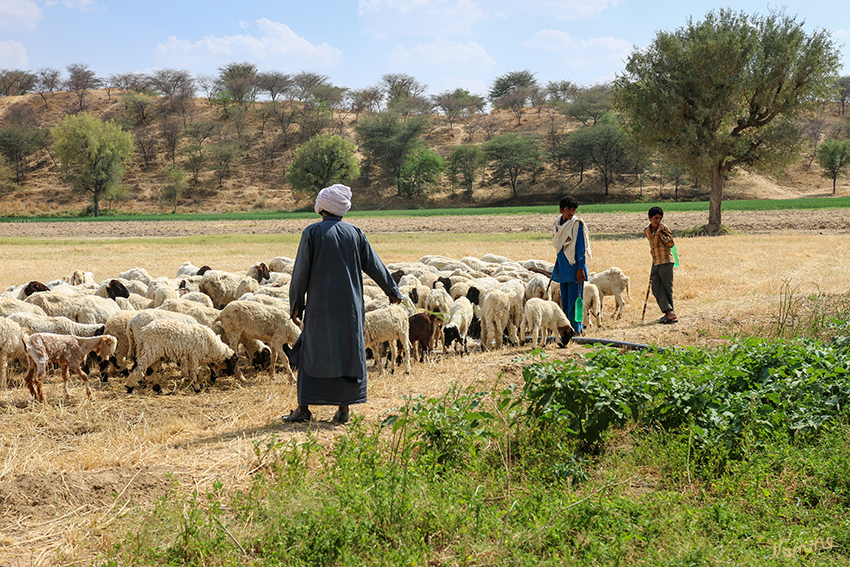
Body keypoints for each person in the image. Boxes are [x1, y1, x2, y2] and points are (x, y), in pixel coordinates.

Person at [282, 184, 403, 424]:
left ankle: (303, 408)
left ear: (321, 208)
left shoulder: (312, 233)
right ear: (342, 210)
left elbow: (300, 272)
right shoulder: (355, 233)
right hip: (350, 308)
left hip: (320, 307)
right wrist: (392, 290)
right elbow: (375, 264)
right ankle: (344, 409)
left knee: (311, 351)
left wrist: (297, 304)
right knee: (347, 352)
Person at [551, 196, 591, 335]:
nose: (572, 212)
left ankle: (578, 328)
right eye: (569, 209)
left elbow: (580, 247)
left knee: (577, 301)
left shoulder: (576, 224)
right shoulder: (557, 224)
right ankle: (567, 328)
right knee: (566, 301)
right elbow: (558, 246)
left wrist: (580, 267)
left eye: (574, 209)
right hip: (563, 268)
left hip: (575, 268)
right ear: (562, 210)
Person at [644, 206, 677, 324]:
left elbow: (671, 243)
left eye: (660, 218)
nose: (658, 221)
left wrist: (660, 234)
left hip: (666, 261)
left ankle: (670, 313)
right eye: (655, 218)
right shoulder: (646, 231)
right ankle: (669, 312)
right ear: (649, 218)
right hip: (656, 262)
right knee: (656, 287)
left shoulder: (663, 228)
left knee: (666, 287)